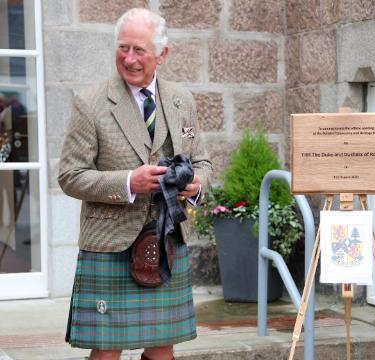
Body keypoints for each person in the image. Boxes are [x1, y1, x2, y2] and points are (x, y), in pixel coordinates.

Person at [58, 8, 213, 360]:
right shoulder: (90, 103)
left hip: (166, 241)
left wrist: (196, 184)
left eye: (139, 50)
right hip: (110, 245)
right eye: (123, 48)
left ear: (162, 54)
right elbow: (70, 175)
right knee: (107, 353)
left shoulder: (181, 101)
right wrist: (129, 182)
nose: (129, 58)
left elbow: (202, 161)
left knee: (162, 351)